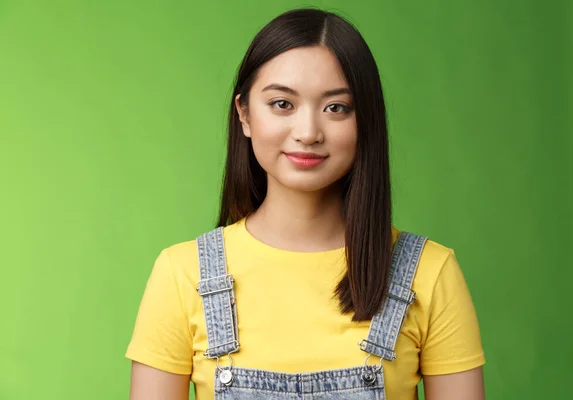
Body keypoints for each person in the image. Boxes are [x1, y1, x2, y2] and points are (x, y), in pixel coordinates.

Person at [126, 7, 486, 400]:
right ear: (244, 114)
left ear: (365, 120)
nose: (308, 132)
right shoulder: (182, 276)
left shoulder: (430, 274)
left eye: (336, 108)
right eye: (282, 104)